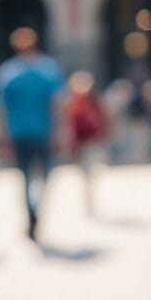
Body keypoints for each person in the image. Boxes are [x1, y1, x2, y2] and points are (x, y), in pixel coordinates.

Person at [0, 27, 65, 240]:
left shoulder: (6, 73)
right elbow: (58, 105)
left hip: (18, 134)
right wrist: (60, 132)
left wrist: (1, 139)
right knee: (45, 174)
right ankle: (35, 204)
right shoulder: (48, 69)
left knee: (25, 177)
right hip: (42, 132)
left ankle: (31, 208)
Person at [64, 70, 106, 215]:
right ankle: (87, 198)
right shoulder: (70, 103)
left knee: (92, 171)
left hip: (92, 142)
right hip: (80, 143)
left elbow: (103, 119)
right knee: (84, 172)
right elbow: (68, 124)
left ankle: (90, 198)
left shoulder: (94, 101)